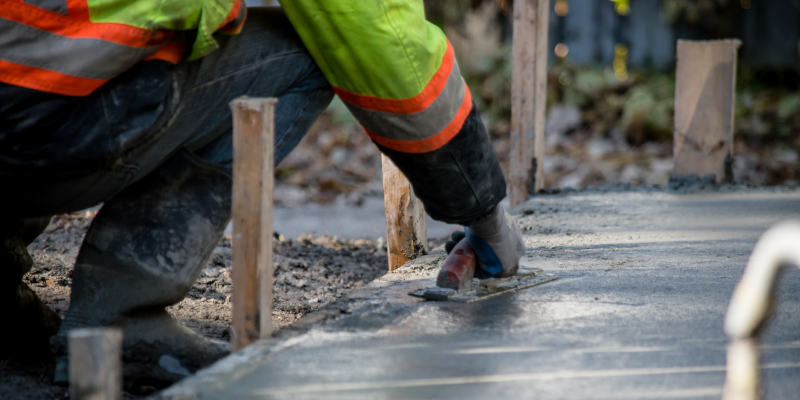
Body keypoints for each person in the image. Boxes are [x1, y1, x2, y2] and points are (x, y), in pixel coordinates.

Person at [0, 0, 525, 383]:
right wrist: (484, 210)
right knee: (310, 48)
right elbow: (375, 31)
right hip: (35, 121)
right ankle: (119, 322)